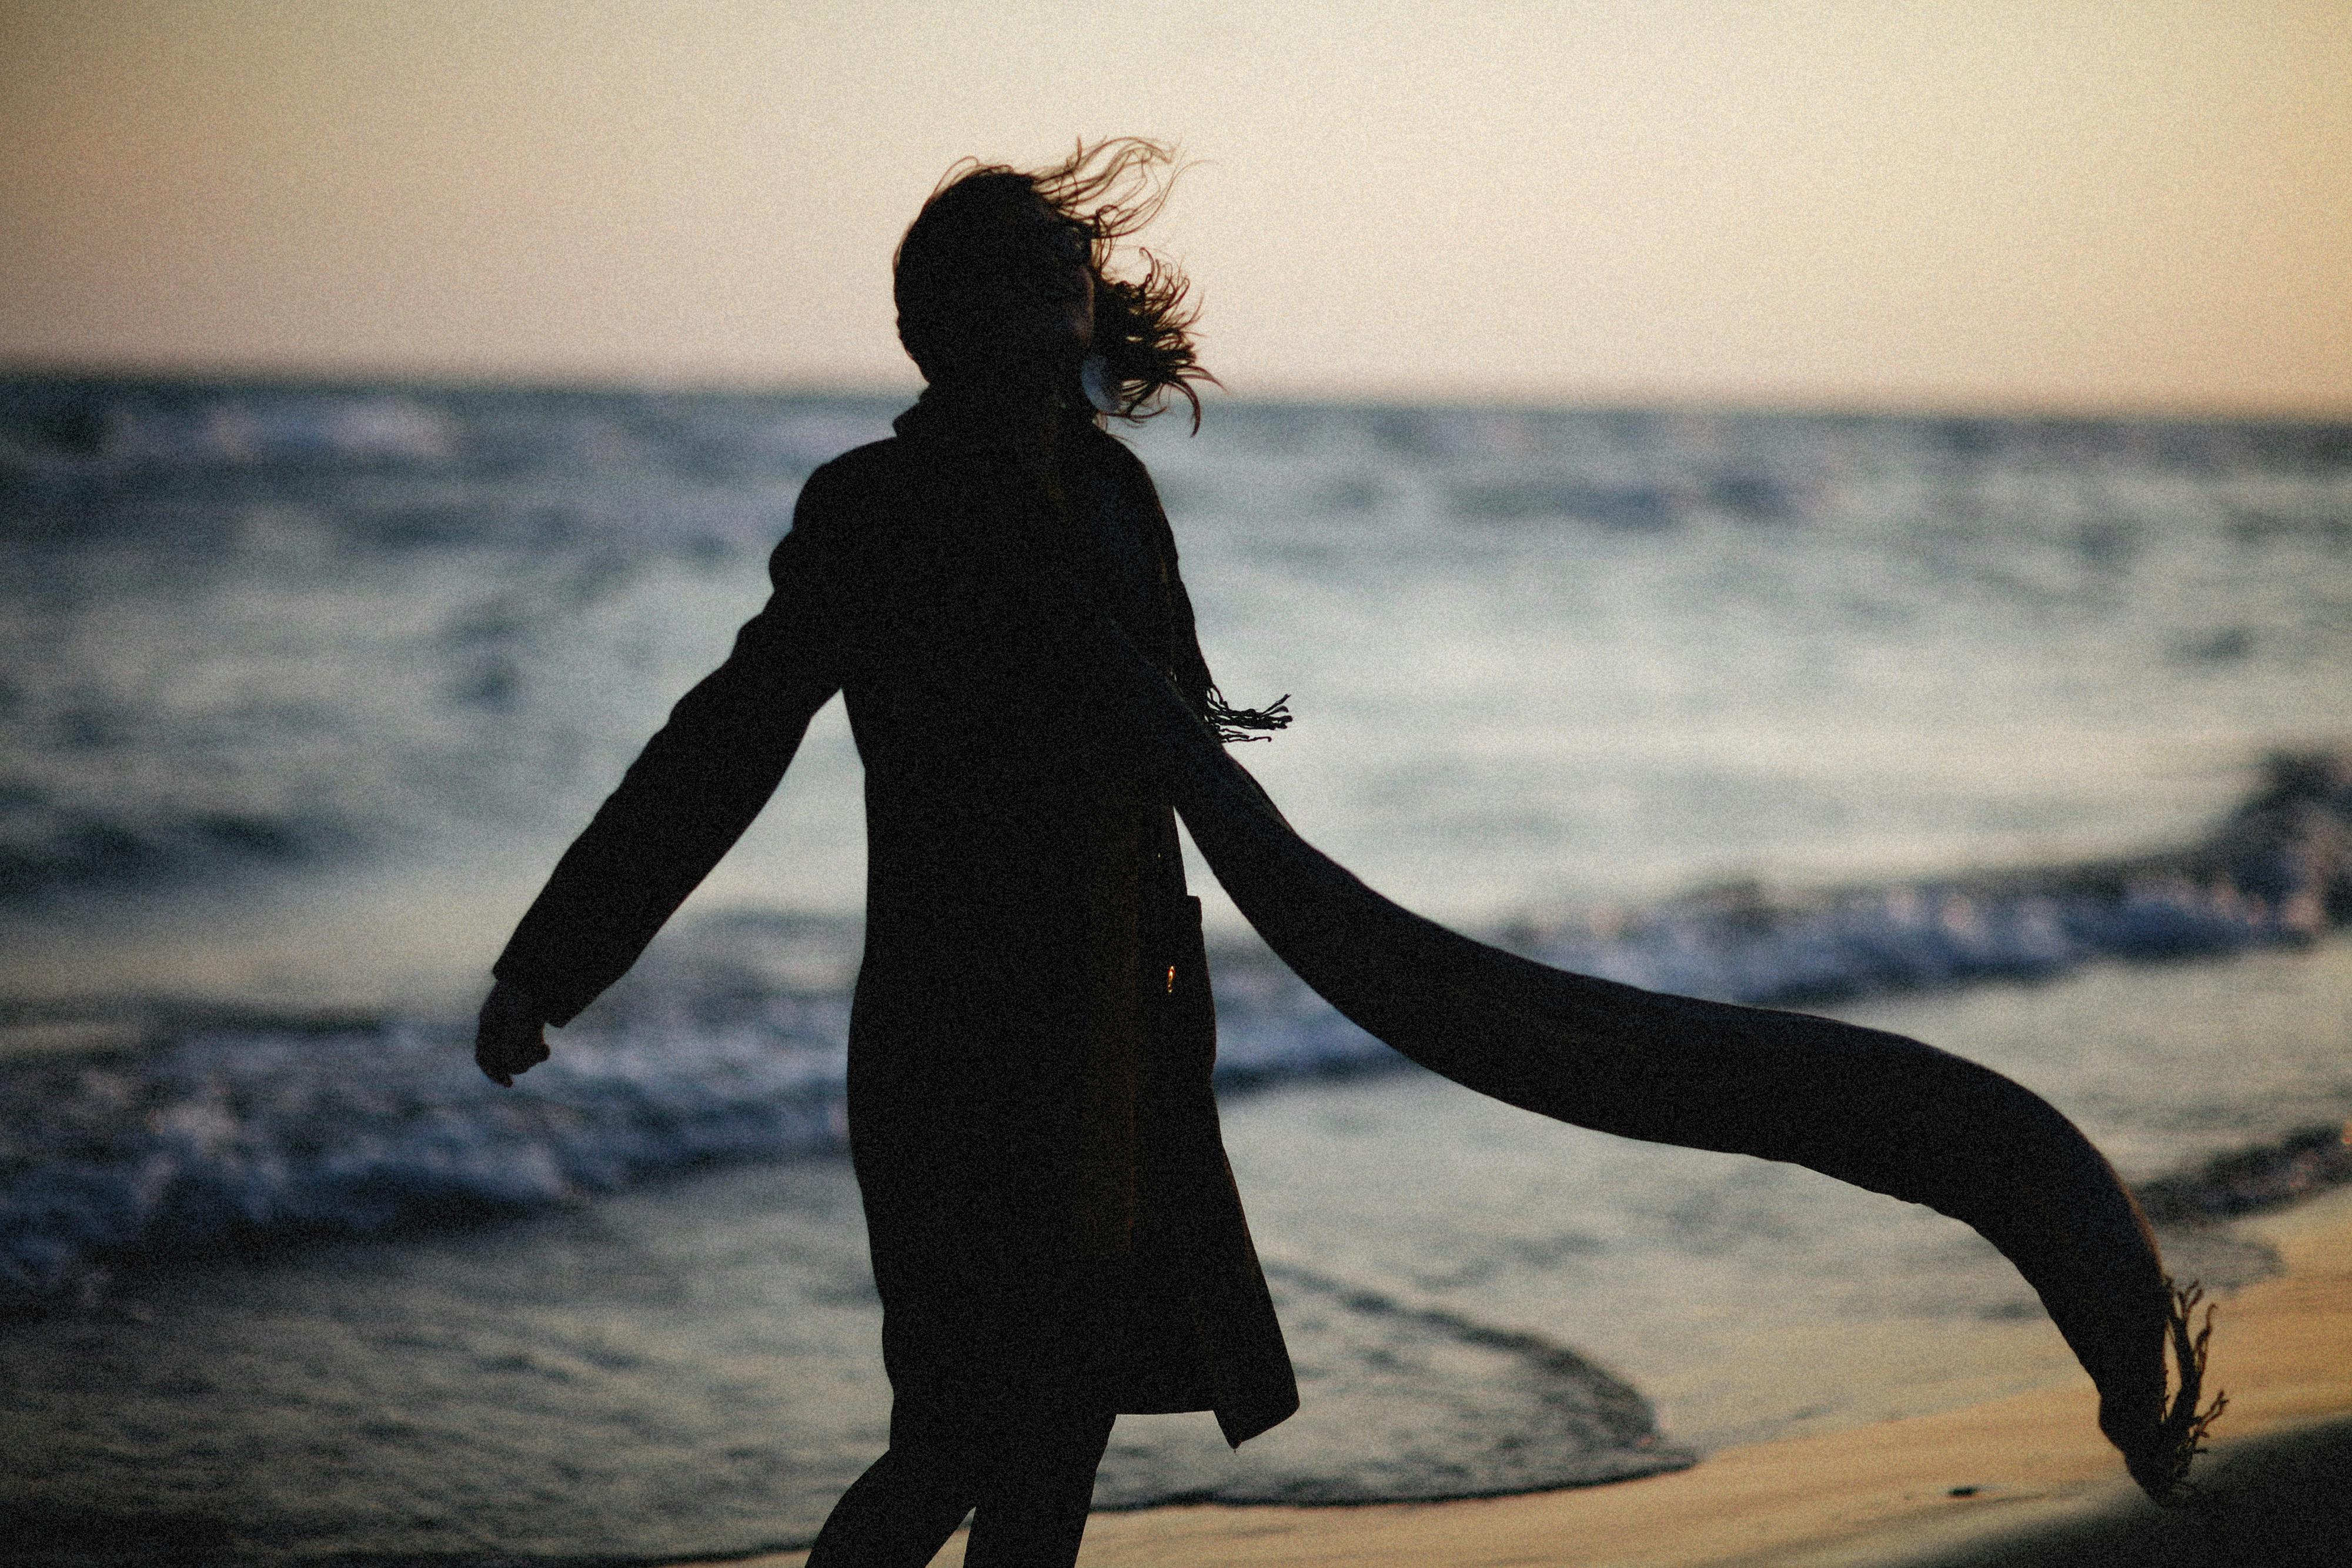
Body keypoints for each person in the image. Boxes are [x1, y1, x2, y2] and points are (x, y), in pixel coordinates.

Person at [475, 139, 1297, 1567]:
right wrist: (553, 960)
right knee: (958, 1433)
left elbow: (1186, 760)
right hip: (952, 1043)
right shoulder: (878, 508)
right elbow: (723, 740)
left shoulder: (1115, 501)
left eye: (1066, 271)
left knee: (1060, 1434)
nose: (1058, 295)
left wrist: (1316, 941)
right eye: (1020, 276)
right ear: (933, 329)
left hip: (1117, 1032)